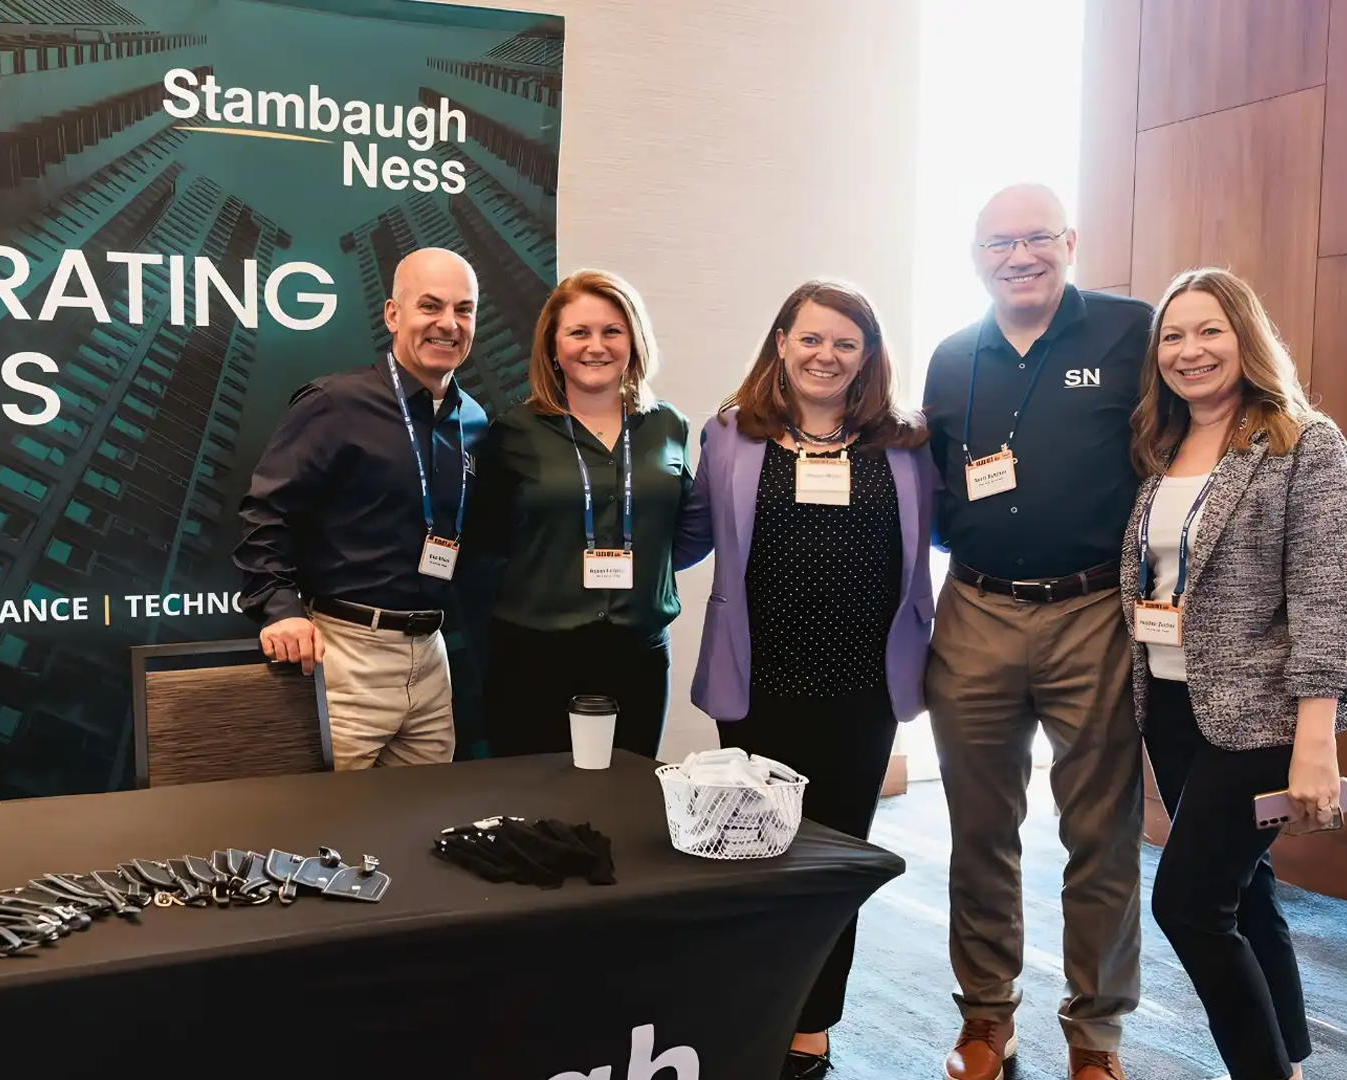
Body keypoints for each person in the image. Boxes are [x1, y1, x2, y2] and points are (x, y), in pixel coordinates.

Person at [674, 279, 935, 1079]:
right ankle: (751, 1008)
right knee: (750, 851)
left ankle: (813, 1020)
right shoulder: (730, 434)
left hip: (862, 690)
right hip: (762, 684)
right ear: (781, 341)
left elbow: (965, 528)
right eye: (811, 338)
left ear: (868, 357)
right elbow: (682, 531)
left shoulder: (906, 443)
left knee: (833, 860)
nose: (826, 355)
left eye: (845, 343)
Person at [921, 183, 1151, 1080]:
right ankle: (987, 1018)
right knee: (981, 829)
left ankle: (1096, 1037)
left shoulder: (1131, 333)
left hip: (1095, 612)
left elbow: (1199, 424)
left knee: (1101, 832)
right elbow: (935, 493)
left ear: (1071, 242)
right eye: (998, 243)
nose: (1019, 256)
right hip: (975, 608)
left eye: (1037, 238)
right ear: (975, 256)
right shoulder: (949, 357)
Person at [1119, 268, 1347, 1080]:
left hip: (1260, 717)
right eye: (1174, 336)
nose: (1191, 351)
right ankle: (1286, 1058)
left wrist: (1317, 738)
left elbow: (1326, 595)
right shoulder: (1158, 447)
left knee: (1186, 905)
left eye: (1209, 330)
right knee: (1246, 892)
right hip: (1174, 706)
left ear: (1244, 336)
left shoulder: (1302, 442)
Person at [232, 248, 487, 769]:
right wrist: (279, 611)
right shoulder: (335, 403)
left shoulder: (475, 420)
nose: (448, 323)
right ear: (393, 314)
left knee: (421, 828)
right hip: (346, 653)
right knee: (333, 834)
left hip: (432, 657)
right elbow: (265, 513)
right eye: (431, 306)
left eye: (464, 309)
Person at [466, 269, 690, 758]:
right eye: (579, 332)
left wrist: (654, 574)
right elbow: (485, 545)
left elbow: (683, 527)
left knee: (625, 799)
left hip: (639, 653)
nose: (596, 346)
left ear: (634, 340)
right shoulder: (512, 433)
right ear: (553, 345)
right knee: (533, 803)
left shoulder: (668, 425)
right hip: (535, 651)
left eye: (612, 331)